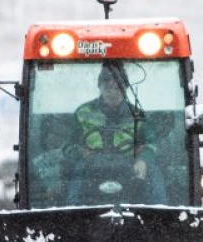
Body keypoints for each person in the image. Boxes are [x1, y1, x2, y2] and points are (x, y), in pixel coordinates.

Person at [69, 65, 163, 204]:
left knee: (153, 172)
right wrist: (79, 152)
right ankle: (71, 213)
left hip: (129, 164)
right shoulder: (83, 113)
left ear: (125, 88)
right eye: (107, 87)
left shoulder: (138, 115)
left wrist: (143, 160)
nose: (112, 92)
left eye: (117, 87)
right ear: (100, 87)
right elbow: (68, 144)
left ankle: (160, 213)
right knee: (77, 171)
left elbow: (151, 145)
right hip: (92, 164)